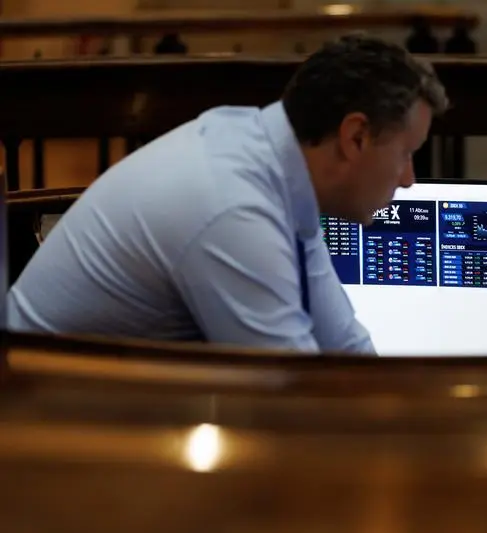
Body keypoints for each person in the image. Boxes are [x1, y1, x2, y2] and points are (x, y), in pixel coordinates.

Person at [7, 34, 449, 353]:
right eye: (406, 153)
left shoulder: (275, 163)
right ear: (356, 137)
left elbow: (343, 344)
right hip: (35, 416)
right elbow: (292, 396)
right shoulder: (233, 208)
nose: (409, 178)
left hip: (102, 406)